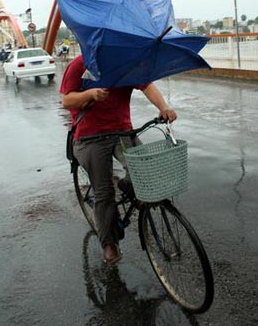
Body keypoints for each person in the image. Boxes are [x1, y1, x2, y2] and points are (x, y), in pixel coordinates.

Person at [60, 54, 177, 265]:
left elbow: (147, 86)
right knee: (104, 193)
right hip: (90, 137)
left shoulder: (125, 61)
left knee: (144, 170)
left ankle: (126, 184)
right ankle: (109, 243)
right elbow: (67, 100)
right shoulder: (80, 64)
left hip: (122, 132)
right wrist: (89, 94)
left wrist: (163, 108)